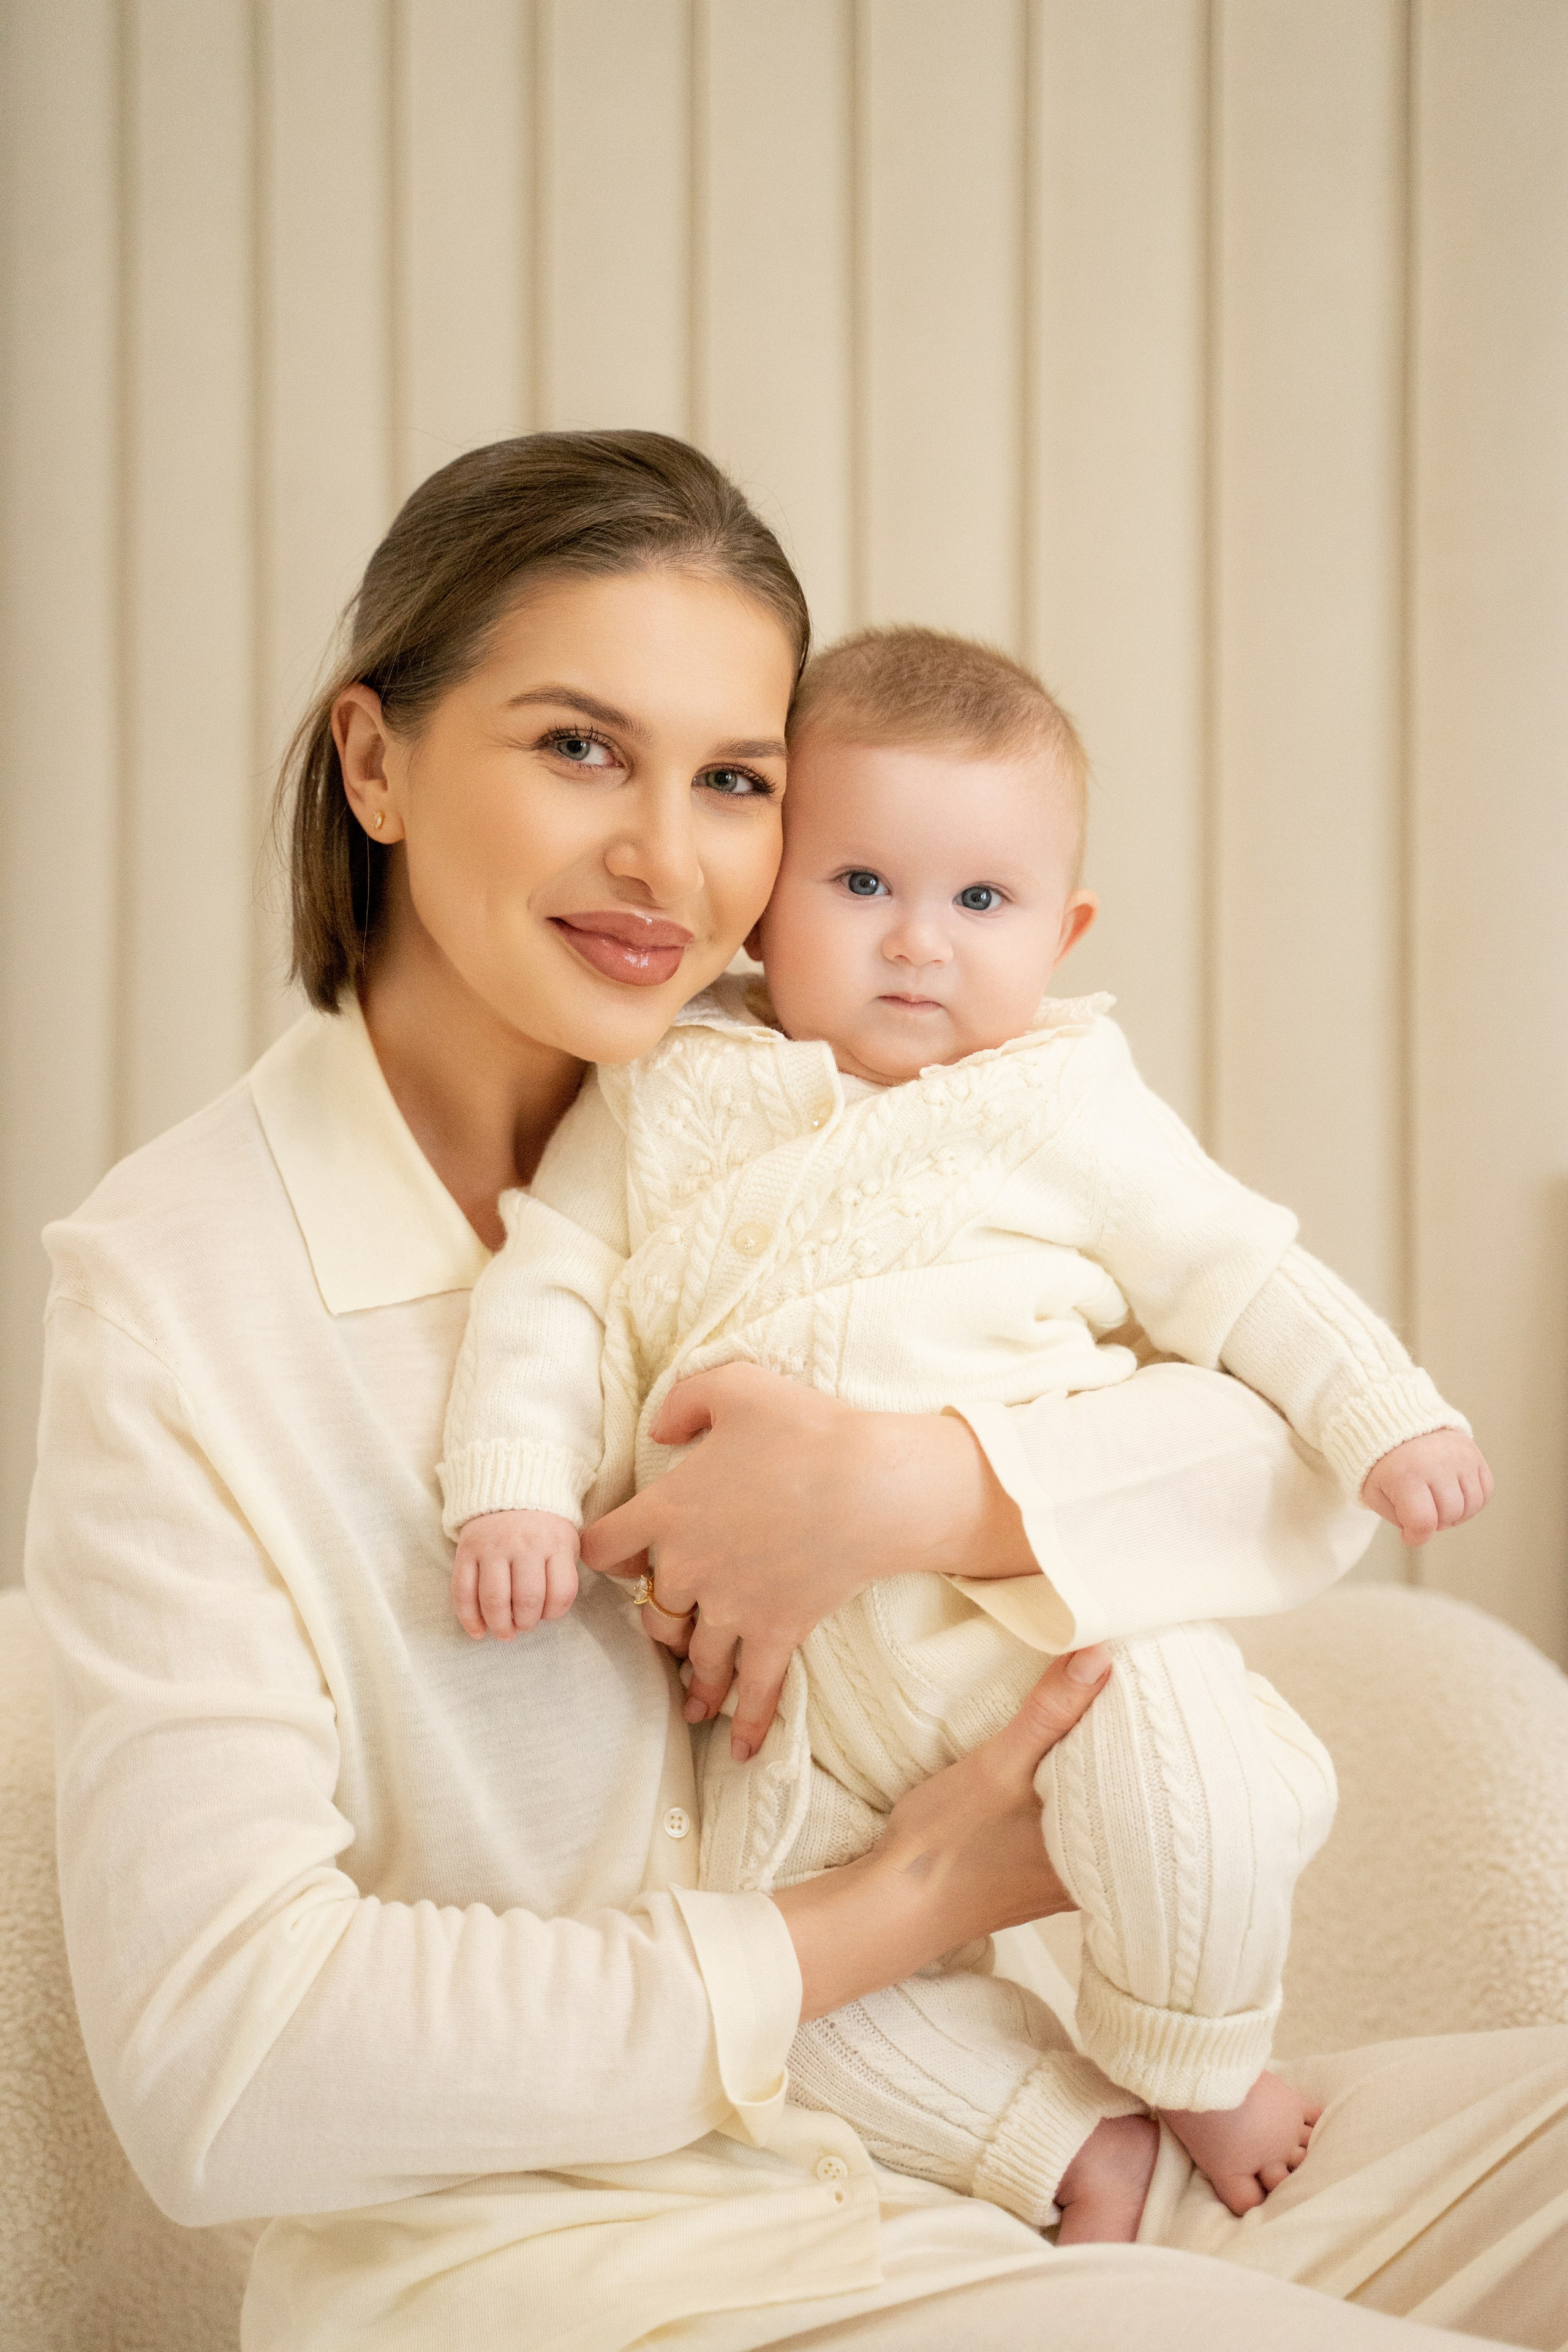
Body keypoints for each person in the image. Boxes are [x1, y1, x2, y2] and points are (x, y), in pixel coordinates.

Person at [21, 431, 1566, 2352]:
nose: (668, 859)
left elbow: (1309, 1467)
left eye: (735, 779)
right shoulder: (181, 1302)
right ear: (377, 762)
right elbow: (225, 2070)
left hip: (1035, 2163)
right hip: (588, 2273)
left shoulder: (822, 1124)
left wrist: (915, 1493)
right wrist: (891, 1913)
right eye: (579, 746)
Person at [436, 624, 1490, 2241]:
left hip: (1037, 1627)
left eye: (980, 902)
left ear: (1061, 930)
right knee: (765, 1982)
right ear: (767, 891)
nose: (919, 943)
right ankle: (1064, 2141)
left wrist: (1385, 1414)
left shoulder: (1068, 1103)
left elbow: (1246, 1279)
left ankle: (1197, 2058)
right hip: (773, 1712)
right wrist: (510, 1486)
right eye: (860, 886)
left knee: (1184, 1776)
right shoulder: (664, 1094)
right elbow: (552, 1291)